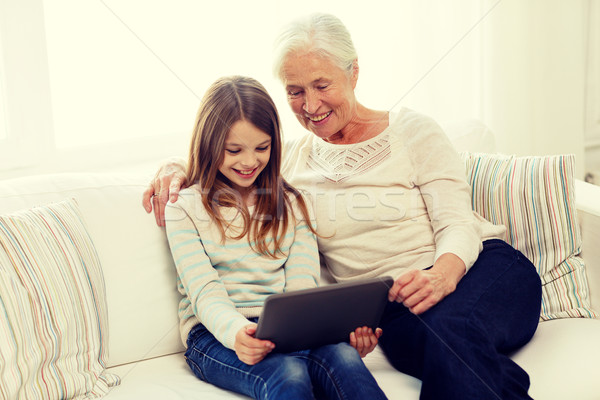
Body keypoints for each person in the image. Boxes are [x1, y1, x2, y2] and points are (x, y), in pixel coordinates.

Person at [145, 14, 542, 400]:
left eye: (321, 84)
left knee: (452, 334)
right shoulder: (289, 164)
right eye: (295, 91)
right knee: (449, 348)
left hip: (479, 271)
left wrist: (442, 275)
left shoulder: (412, 131)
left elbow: (457, 222)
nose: (310, 104)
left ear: (353, 73)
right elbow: (234, 155)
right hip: (400, 311)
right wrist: (175, 167)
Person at [163, 75, 387, 400]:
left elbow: (301, 286)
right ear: (209, 144)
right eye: (234, 150)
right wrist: (237, 332)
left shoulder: (292, 204)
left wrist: (317, 334)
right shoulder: (184, 208)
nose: (250, 161)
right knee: (289, 373)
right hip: (213, 334)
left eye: (262, 147)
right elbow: (204, 292)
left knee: (344, 359)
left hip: (283, 330)